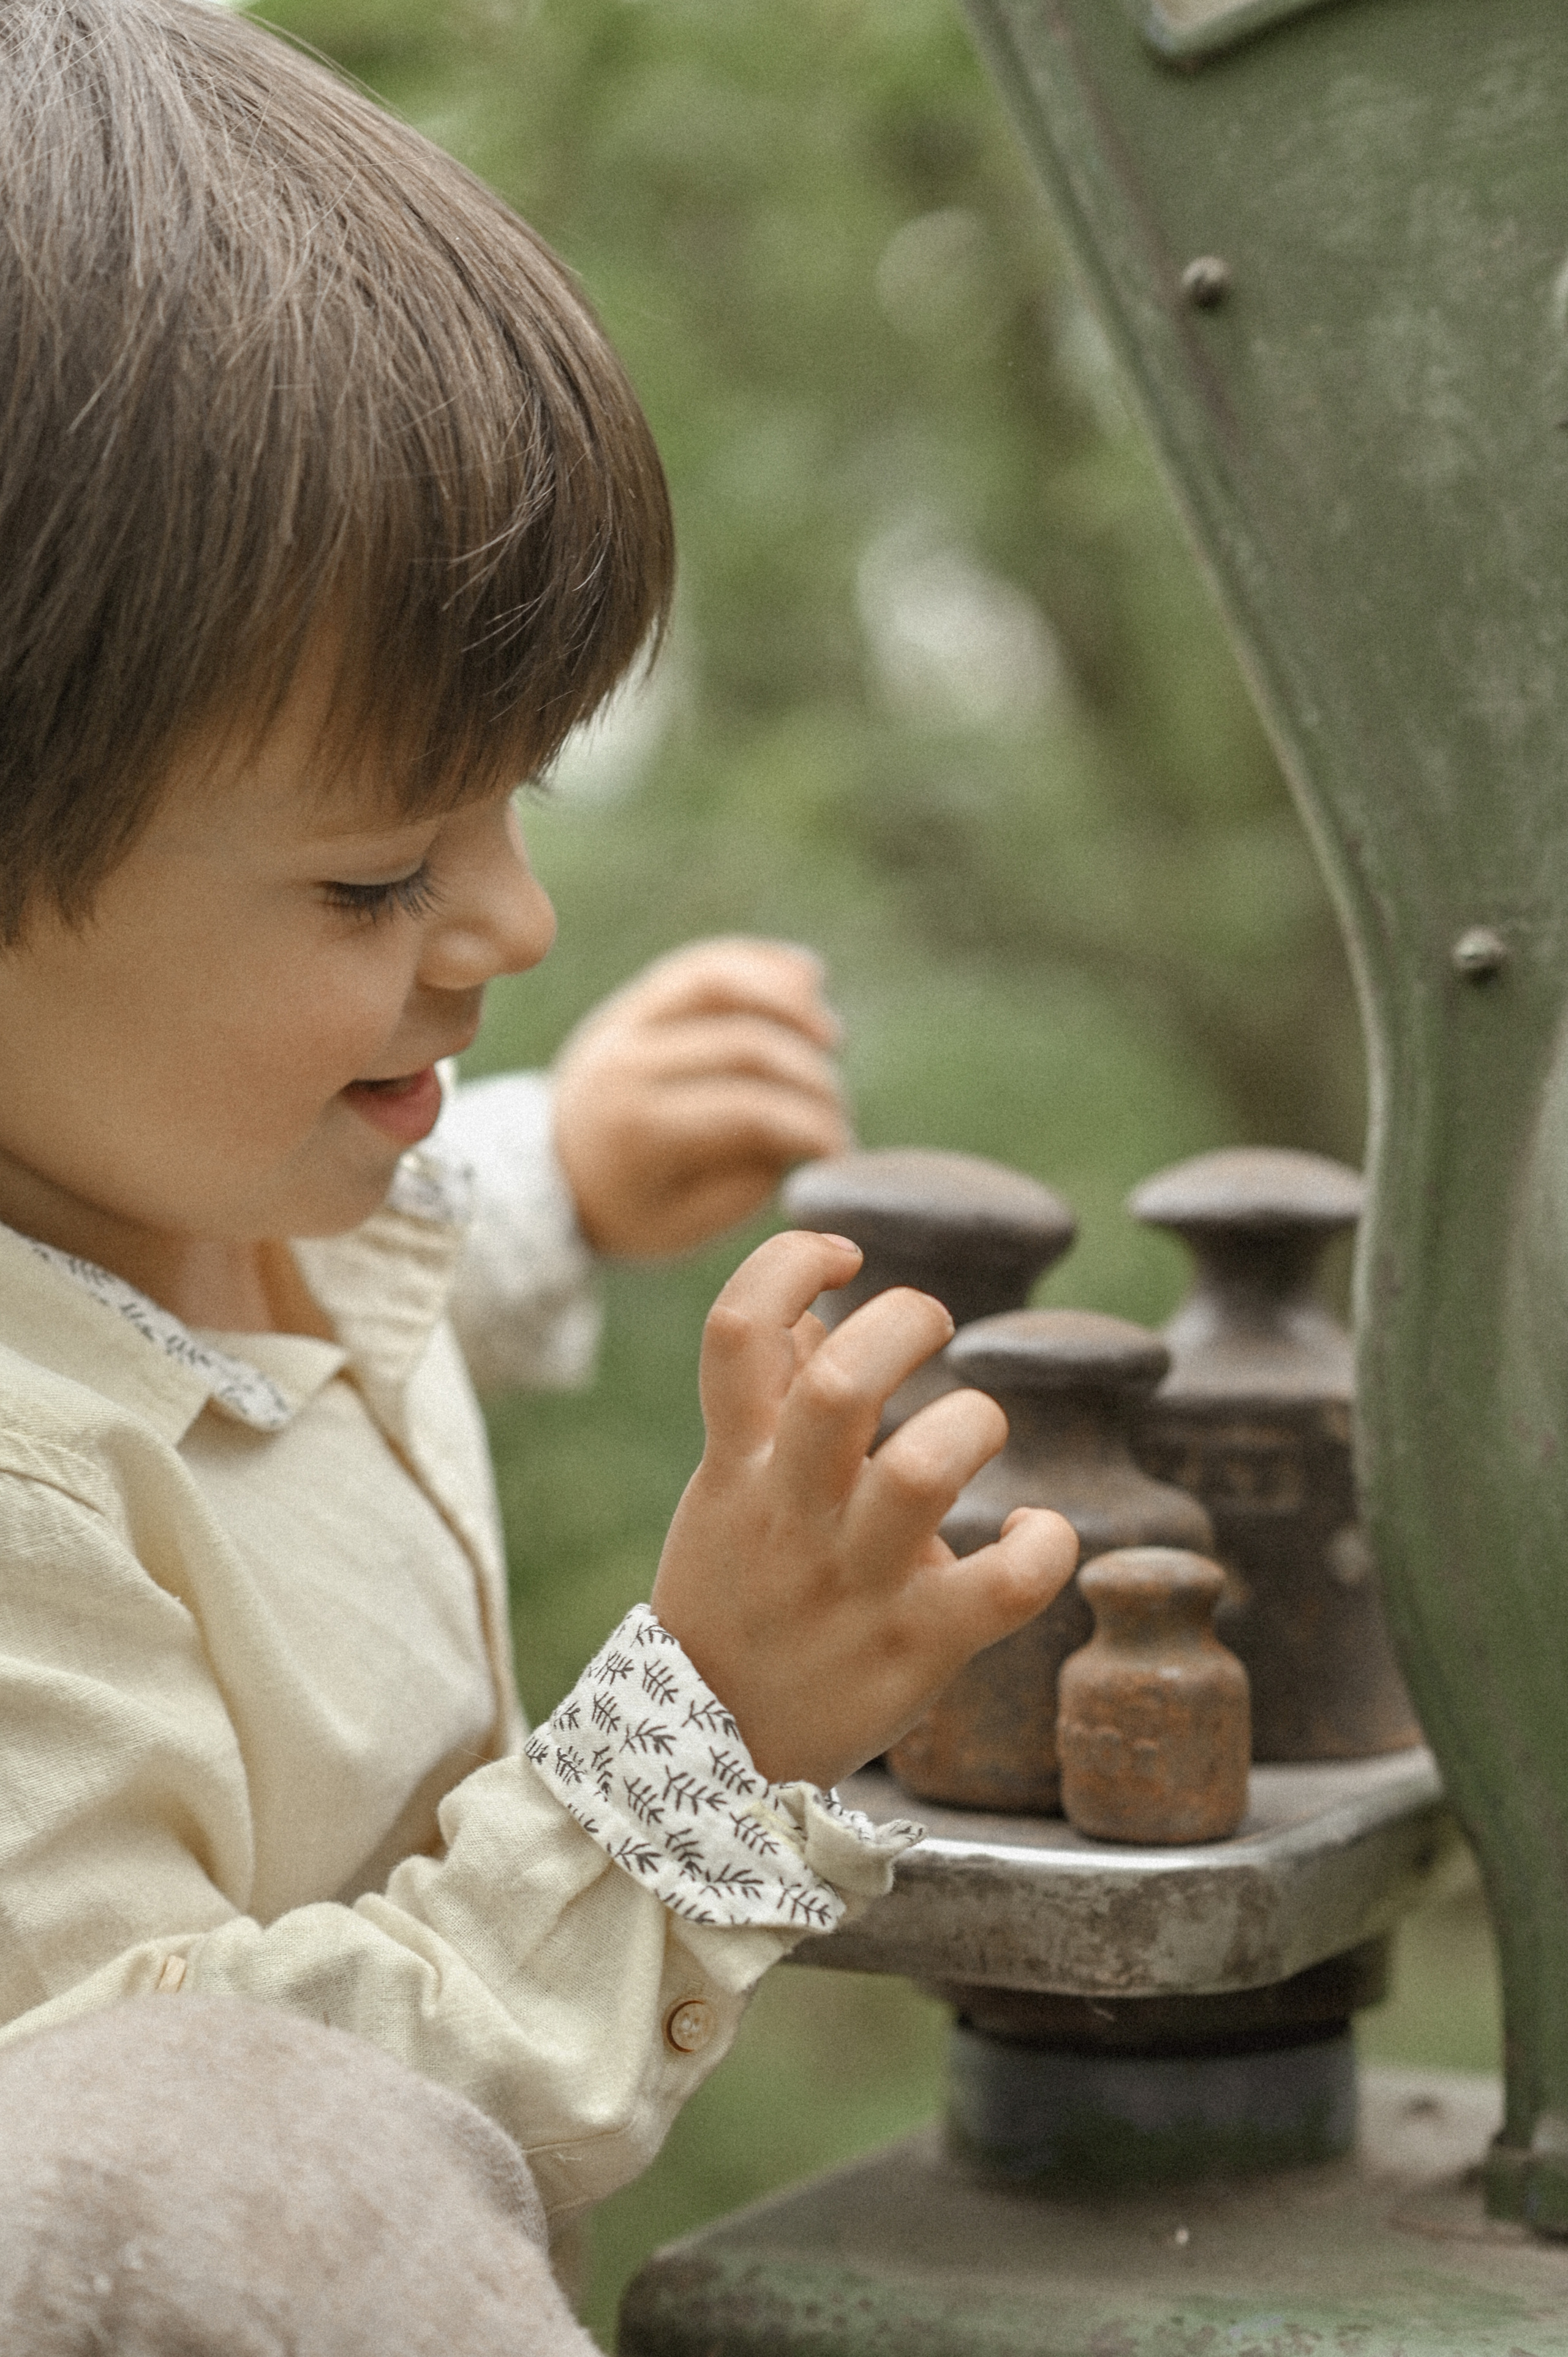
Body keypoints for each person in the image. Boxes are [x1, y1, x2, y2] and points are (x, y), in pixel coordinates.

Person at [0, 1, 1079, 2342]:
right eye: (379, 877)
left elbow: (316, 1328)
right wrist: (698, 1747)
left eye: (517, 802)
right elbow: (186, 2199)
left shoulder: (186, 1185)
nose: (517, 923)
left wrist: (564, 1168)